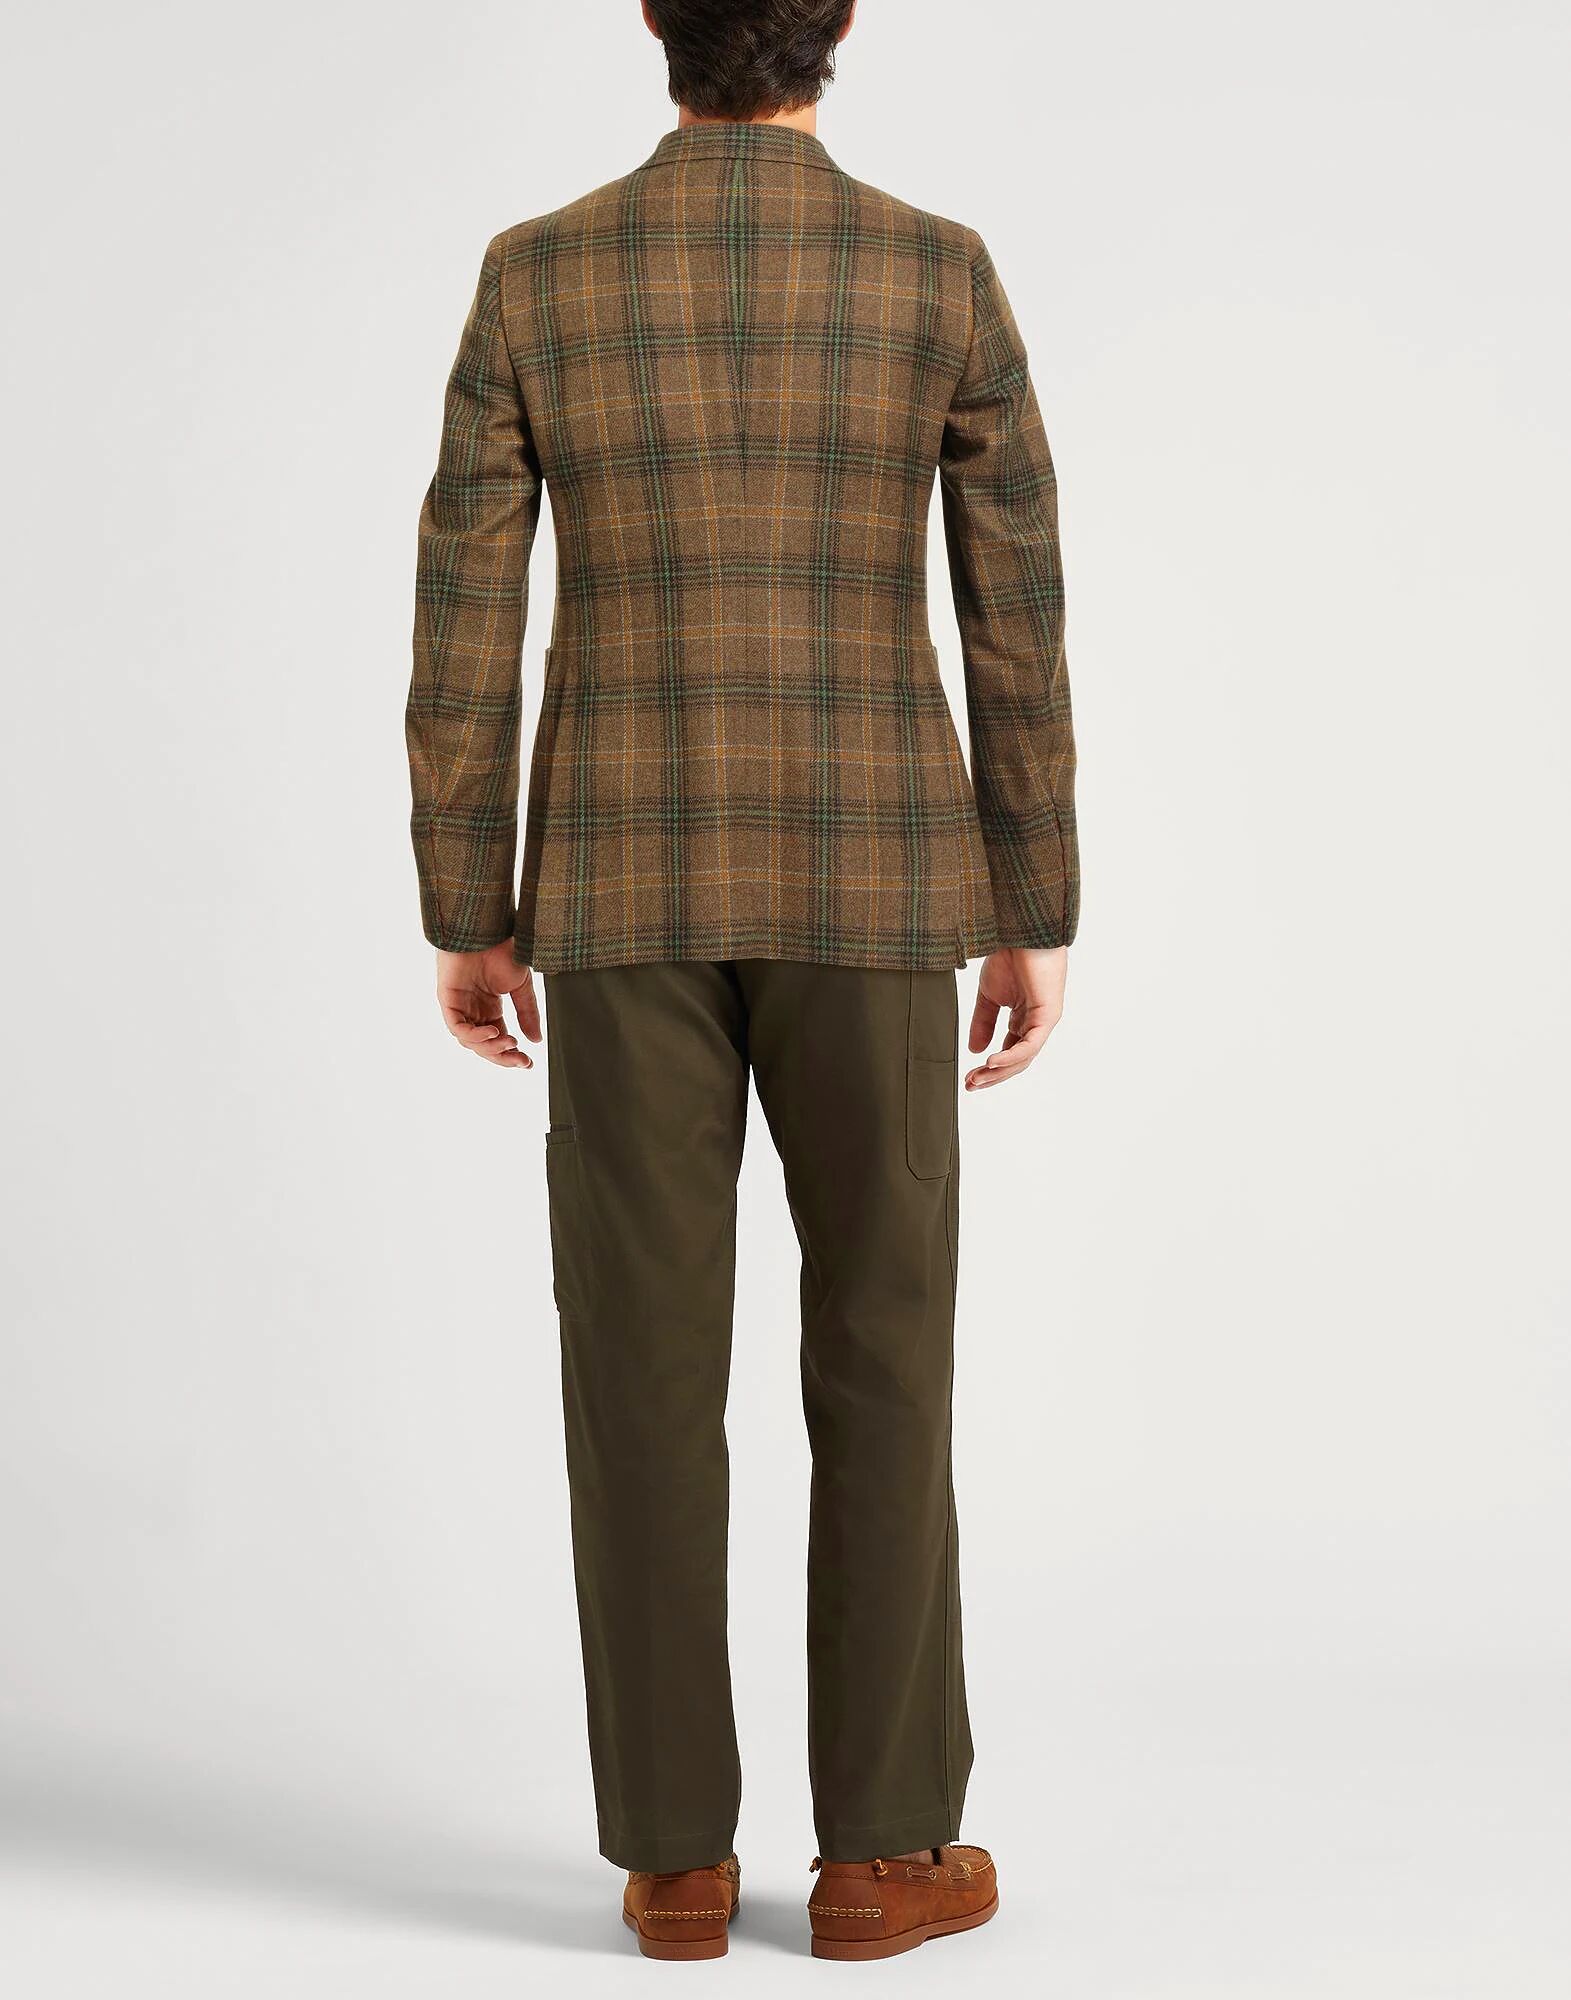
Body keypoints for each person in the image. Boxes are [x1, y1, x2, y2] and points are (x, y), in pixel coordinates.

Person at [405, 0, 1077, 1963]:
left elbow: (464, 606)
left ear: (656, 21)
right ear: (836, 24)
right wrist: (1032, 895)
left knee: (635, 1364)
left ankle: (673, 1859)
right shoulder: (935, 274)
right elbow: (1016, 609)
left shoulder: (538, 277)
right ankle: (884, 1854)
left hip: (618, 885)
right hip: (879, 883)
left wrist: (468, 900)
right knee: (888, 1346)